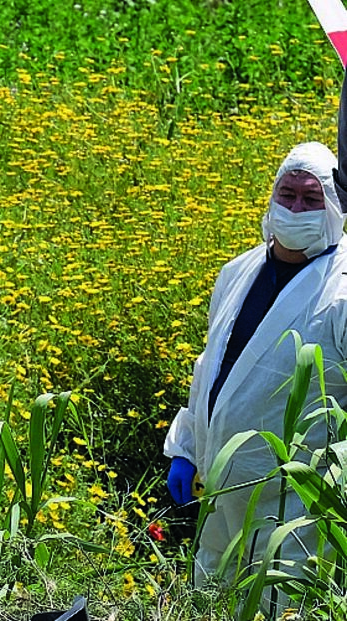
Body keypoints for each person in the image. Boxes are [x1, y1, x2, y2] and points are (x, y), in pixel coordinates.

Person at [163, 136, 347, 589]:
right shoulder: (238, 272)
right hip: (219, 486)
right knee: (211, 595)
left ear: (335, 207)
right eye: (287, 194)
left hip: (297, 503)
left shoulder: (341, 291)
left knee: (281, 601)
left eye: (311, 198)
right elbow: (210, 367)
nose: (296, 208)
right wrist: (186, 449)